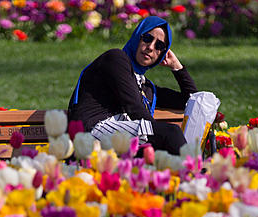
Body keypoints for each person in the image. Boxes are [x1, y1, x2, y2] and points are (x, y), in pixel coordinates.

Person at [68, 16, 197, 155]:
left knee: (161, 153)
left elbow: (191, 101)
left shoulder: (145, 88)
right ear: (137, 37)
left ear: (162, 54)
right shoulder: (116, 59)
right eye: (147, 38)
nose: (150, 47)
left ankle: (189, 174)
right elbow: (134, 107)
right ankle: (195, 173)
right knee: (170, 133)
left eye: (159, 46)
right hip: (91, 133)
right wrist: (159, 135)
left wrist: (177, 67)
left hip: (120, 139)